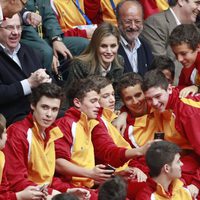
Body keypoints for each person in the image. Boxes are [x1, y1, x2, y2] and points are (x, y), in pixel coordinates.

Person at [4, 83, 91, 199]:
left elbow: (47, 180)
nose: (49, 114)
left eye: (54, 109)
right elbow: (16, 182)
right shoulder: (18, 133)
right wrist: (53, 194)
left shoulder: (52, 133)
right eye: (45, 107)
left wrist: (67, 190)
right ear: (33, 105)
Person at [142, 69, 200, 198]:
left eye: (157, 96)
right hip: (187, 158)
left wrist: (196, 184)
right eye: (149, 99)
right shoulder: (160, 106)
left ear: (169, 88)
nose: (154, 103)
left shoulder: (187, 111)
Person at [55, 78, 115, 199]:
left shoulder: (89, 123)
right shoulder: (66, 124)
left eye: (98, 101)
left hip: (90, 187)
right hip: (71, 189)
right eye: (93, 101)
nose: (98, 106)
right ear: (77, 102)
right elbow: (58, 163)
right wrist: (91, 173)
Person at [0, 13, 51, 126]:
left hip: (39, 111)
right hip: (12, 118)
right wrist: (28, 84)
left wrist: (46, 81)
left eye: (18, 27)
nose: (16, 32)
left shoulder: (31, 51)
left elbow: (50, 82)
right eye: (9, 28)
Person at [141, 0, 200, 84]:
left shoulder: (195, 30)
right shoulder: (156, 23)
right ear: (181, 1)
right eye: (197, 3)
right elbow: (161, 66)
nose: (199, 8)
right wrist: (181, 90)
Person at [21, 0, 89, 72]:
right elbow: (26, 29)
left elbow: (49, 16)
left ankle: (72, 81)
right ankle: (49, 81)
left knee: (83, 44)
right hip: (28, 40)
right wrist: (49, 50)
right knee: (47, 53)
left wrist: (56, 39)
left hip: (47, 39)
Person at [0, 113, 47, 199]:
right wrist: (19, 196)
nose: (7, 135)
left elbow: (4, 189)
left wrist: (30, 191)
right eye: (4, 132)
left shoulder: (1, 156)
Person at [67, 22, 124, 86]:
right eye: (104, 46)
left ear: (118, 45)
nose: (109, 51)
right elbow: (72, 93)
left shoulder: (119, 61)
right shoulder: (79, 65)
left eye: (113, 46)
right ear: (95, 46)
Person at [116, 0, 153, 75]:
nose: (133, 26)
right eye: (128, 21)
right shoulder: (111, 47)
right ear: (118, 22)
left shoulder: (146, 47)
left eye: (137, 21)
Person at [169, 24, 200, 97]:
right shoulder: (186, 69)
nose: (179, 59)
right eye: (176, 54)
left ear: (198, 47)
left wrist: (197, 88)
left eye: (183, 53)